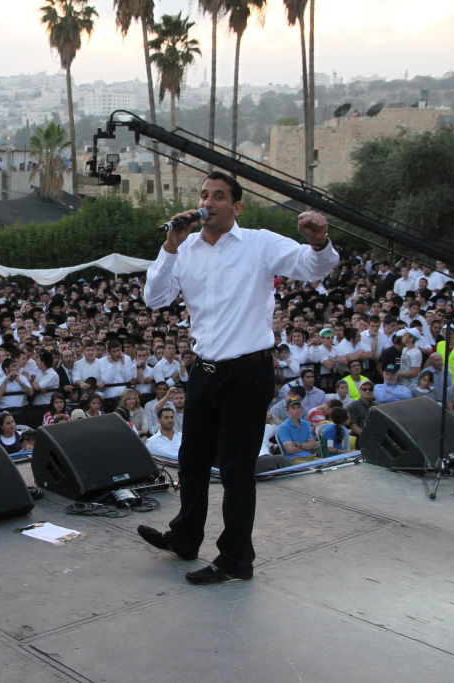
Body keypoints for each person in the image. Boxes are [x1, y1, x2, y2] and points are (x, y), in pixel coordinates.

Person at [137, 172, 337, 585]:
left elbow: (312, 267)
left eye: (218, 196)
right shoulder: (186, 249)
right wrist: (170, 247)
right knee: (191, 460)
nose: (208, 202)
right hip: (204, 371)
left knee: (235, 470)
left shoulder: (260, 243)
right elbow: (154, 298)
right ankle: (185, 537)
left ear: (236, 206)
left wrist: (319, 241)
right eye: (204, 195)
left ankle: (235, 559)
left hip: (248, 372)